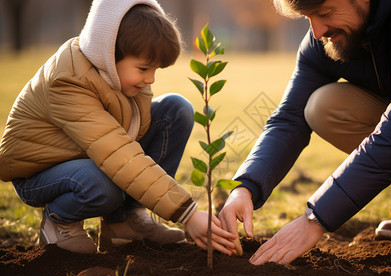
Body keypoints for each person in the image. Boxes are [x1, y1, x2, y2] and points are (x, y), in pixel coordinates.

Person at [219, 0, 391, 265]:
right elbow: (289, 118)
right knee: (322, 106)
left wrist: (316, 218)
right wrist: (245, 187)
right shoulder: (325, 39)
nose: (317, 31)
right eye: (308, 18)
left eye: (325, 13)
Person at [0, 0, 236, 255]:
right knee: (103, 184)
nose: (151, 79)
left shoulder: (117, 76)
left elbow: (124, 144)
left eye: (155, 69)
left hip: (87, 155)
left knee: (175, 110)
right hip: (40, 173)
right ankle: (59, 220)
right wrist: (187, 213)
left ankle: (126, 221)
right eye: (144, 68)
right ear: (109, 53)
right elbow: (119, 154)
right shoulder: (68, 80)